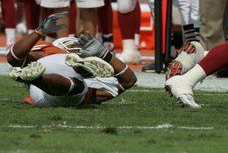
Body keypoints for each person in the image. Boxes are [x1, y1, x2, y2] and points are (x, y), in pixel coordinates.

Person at [7, 12, 136, 107]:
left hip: (51, 93)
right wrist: (40, 31)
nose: (79, 48)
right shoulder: (50, 52)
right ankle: (33, 77)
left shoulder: (100, 76)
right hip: (44, 76)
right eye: (75, 45)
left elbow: (130, 81)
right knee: (79, 85)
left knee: (80, 86)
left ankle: (34, 78)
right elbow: (13, 57)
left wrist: (104, 53)